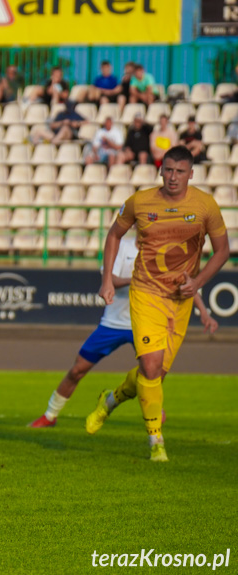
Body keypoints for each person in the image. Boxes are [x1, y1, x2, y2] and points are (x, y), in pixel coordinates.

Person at [86, 146, 229, 462]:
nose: (173, 177)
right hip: (146, 293)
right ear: (160, 170)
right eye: (168, 170)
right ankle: (156, 442)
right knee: (150, 367)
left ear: (191, 174)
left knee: (154, 377)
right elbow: (113, 235)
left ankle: (110, 400)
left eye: (180, 171)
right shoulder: (140, 201)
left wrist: (198, 282)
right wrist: (107, 279)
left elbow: (222, 251)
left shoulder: (205, 206)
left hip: (180, 301)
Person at [29, 234, 218, 428]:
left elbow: (184, 284)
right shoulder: (121, 247)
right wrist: (137, 278)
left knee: (155, 375)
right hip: (113, 323)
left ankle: (152, 411)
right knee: (77, 369)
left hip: (146, 323)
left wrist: (204, 312)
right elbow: (110, 279)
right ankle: (49, 416)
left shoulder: (165, 252)